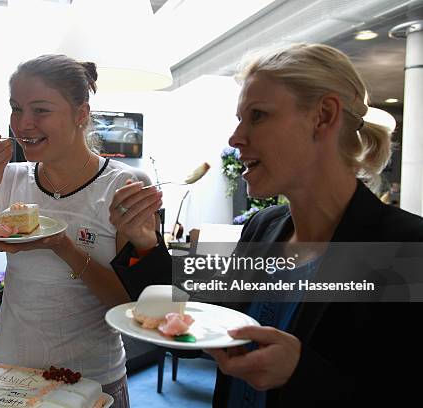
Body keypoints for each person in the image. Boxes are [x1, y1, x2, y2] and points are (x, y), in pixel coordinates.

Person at [109, 43, 423, 406]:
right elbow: (200, 326)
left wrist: (302, 373)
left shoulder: (404, 246)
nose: (235, 138)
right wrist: (146, 241)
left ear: (323, 115)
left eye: (257, 116)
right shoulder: (265, 226)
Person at [0, 54, 152, 407]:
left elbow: (131, 311)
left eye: (41, 110)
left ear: (81, 114)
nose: (23, 125)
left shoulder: (123, 186)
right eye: (16, 108)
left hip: (90, 383)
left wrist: (63, 246)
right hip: (10, 379)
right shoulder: (8, 180)